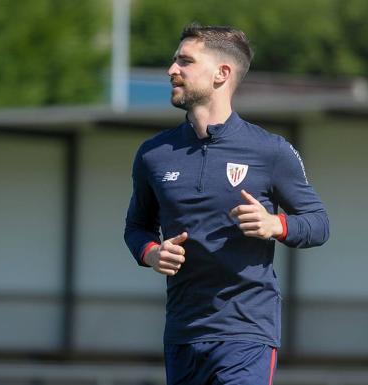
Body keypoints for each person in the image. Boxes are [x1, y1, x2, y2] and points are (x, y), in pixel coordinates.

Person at [124, 23, 329, 385]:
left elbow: (318, 222)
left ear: (222, 73)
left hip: (246, 334)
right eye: (174, 61)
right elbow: (136, 227)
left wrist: (275, 225)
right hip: (183, 333)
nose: (172, 70)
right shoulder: (154, 154)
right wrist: (152, 253)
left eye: (185, 61)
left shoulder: (270, 150)